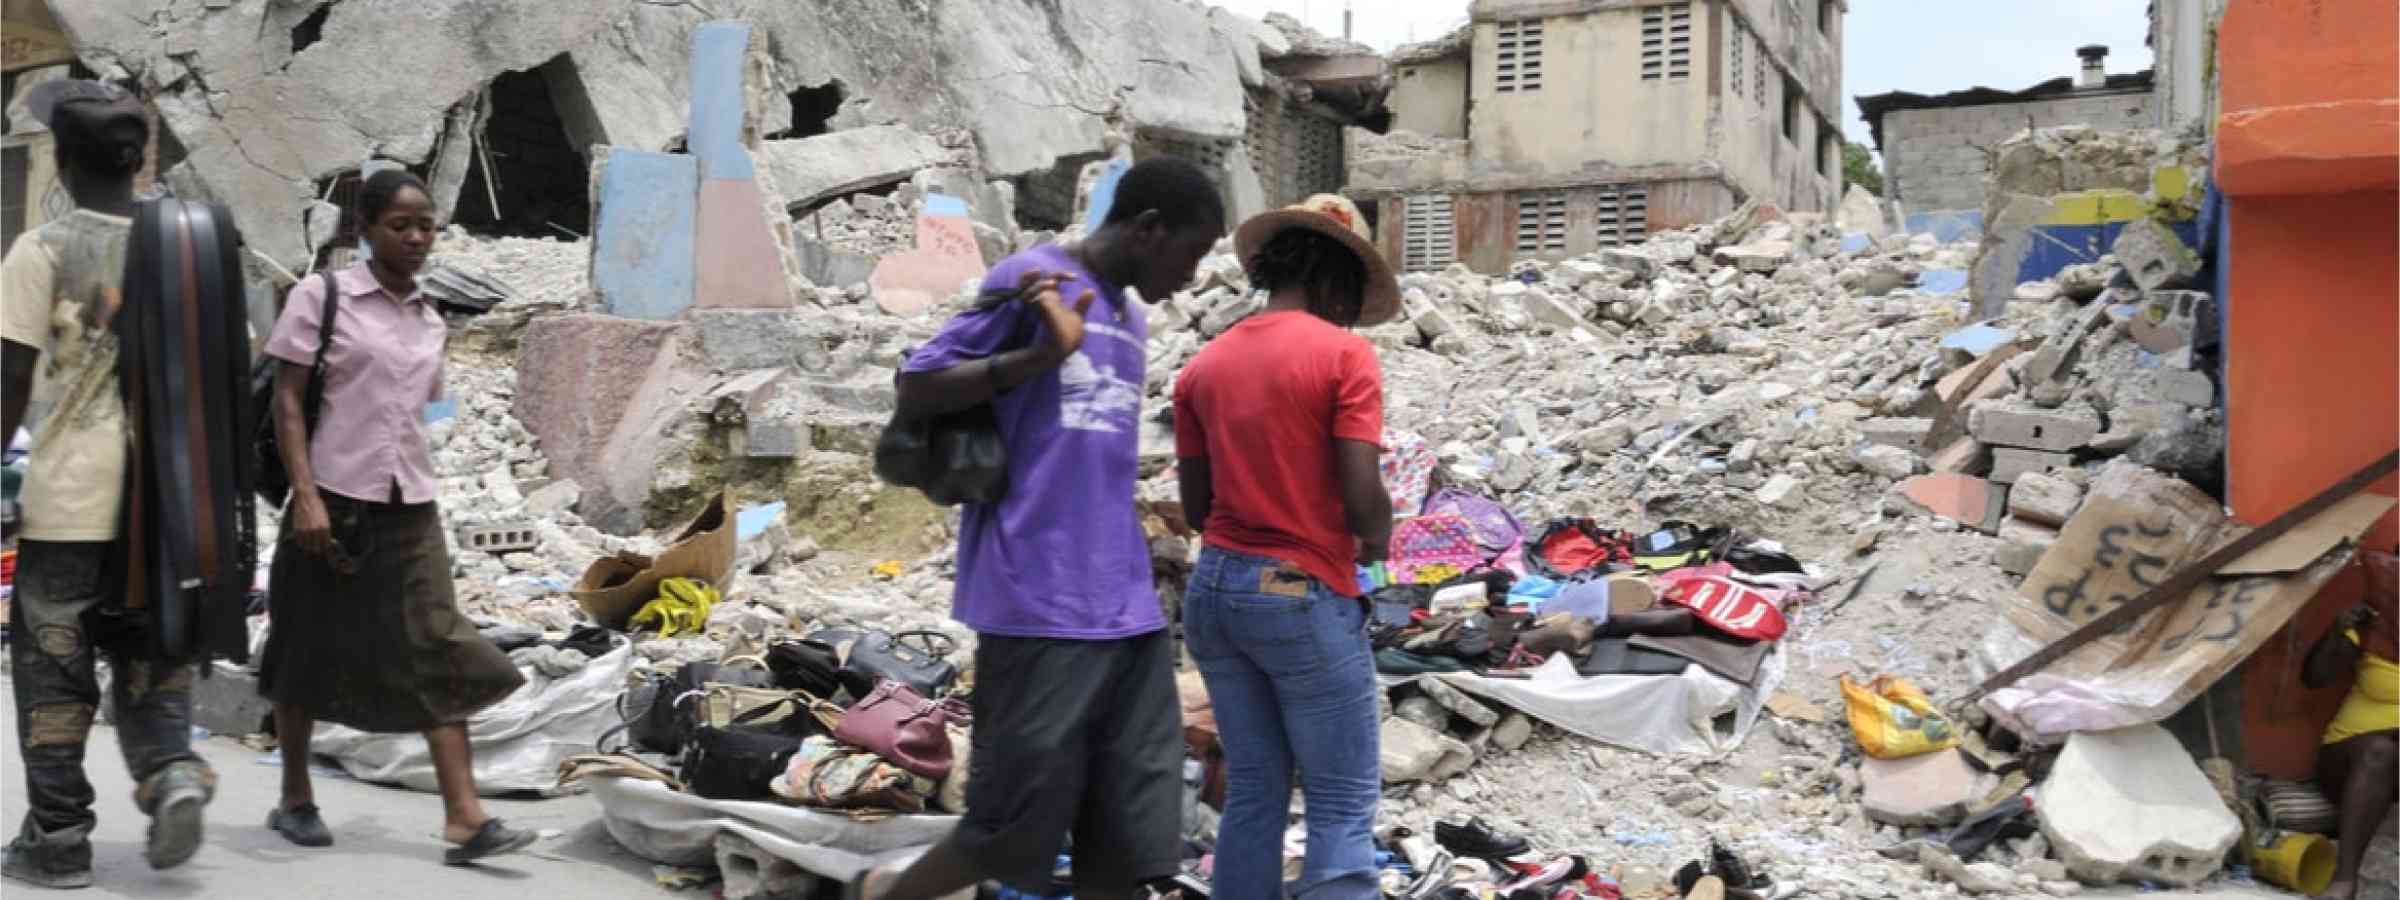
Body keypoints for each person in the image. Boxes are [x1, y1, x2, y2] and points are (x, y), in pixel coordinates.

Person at [851, 157, 1225, 900]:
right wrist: (1040, 354)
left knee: (1129, 828)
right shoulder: (1032, 282)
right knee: (1009, 825)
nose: (1193, 275)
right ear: (1148, 230)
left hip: (1125, 604)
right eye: (1192, 252)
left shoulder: (1130, 314)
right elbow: (918, 384)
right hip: (1036, 595)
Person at [257, 169, 535, 865]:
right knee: (304, 646)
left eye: (426, 227)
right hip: (332, 501)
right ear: (366, 229)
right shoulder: (322, 298)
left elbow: (428, 409)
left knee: (436, 642)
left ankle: (465, 820)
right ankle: (294, 797)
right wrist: (309, 495)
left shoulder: (432, 318)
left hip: (410, 506)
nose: (415, 238)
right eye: (399, 225)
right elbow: (287, 402)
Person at [0, 78, 218, 890]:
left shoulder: (43, 251)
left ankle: (58, 840)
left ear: (60, 157)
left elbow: (9, 383)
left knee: (55, 674)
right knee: (152, 661)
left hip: (69, 504)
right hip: (169, 507)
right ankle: (173, 775)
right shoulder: (194, 244)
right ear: (140, 161)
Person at [1171, 194, 1398, 900]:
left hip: (1214, 593)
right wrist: (1379, 538)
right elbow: (1362, 493)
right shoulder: (1344, 355)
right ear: (1337, 278)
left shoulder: (1203, 367)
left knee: (1256, 790)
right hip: (1297, 591)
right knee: (1340, 798)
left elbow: (1195, 508)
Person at [2300, 549, 2398, 900]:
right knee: (2381, 750)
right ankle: (2344, 881)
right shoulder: (2374, 625)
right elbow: (2315, 678)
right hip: (2350, 761)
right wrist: (2337, 631)